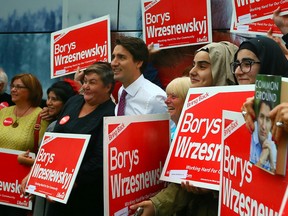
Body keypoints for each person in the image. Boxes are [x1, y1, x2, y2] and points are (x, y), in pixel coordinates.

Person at [130, 41, 238, 216]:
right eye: (194, 64)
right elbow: (182, 182)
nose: (193, 71)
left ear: (221, 68)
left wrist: (213, 189)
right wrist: (156, 205)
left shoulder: (242, 113)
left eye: (202, 66)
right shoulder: (195, 115)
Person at [44, 62, 115, 216]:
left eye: (92, 82)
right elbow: (53, 143)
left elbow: (99, 160)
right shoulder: (73, 101)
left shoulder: (112, 114)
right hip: (56, 190)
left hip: (84, 196)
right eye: (85, 81)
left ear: (108, 87)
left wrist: (66, 183)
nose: (86, 86)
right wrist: (36, 175)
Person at [19, 79, 80, 216]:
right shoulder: (49, 121)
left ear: (67, 102)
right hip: (44, 184)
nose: (49, 103)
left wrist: (25, 161)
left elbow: (55, 161)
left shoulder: (63, 126)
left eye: (55, 99)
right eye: (49, 98)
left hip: (54, 188)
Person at [0, 73, 49, 216]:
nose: (13, 90)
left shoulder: (42, 117)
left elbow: (44, 154)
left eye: (19, 87)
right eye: (12, 86)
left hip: (21, 186)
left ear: (31, 91)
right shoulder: (4, 112)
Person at [111, 36, 167, 116]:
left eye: (121, 57)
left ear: (138, 63)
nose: (114, 63)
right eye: (113, 57)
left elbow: (169, 128)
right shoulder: (122, 91)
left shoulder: (155, 99)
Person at [250, 100, 277, 173]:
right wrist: (261, 161)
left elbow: (275, 183)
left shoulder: (272, 146)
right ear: (257, 117)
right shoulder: (249, 134)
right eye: (261, 117)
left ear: (272, 124)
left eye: (268, 120)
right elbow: (247, 177)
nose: (264, 126)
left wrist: (272, 163)